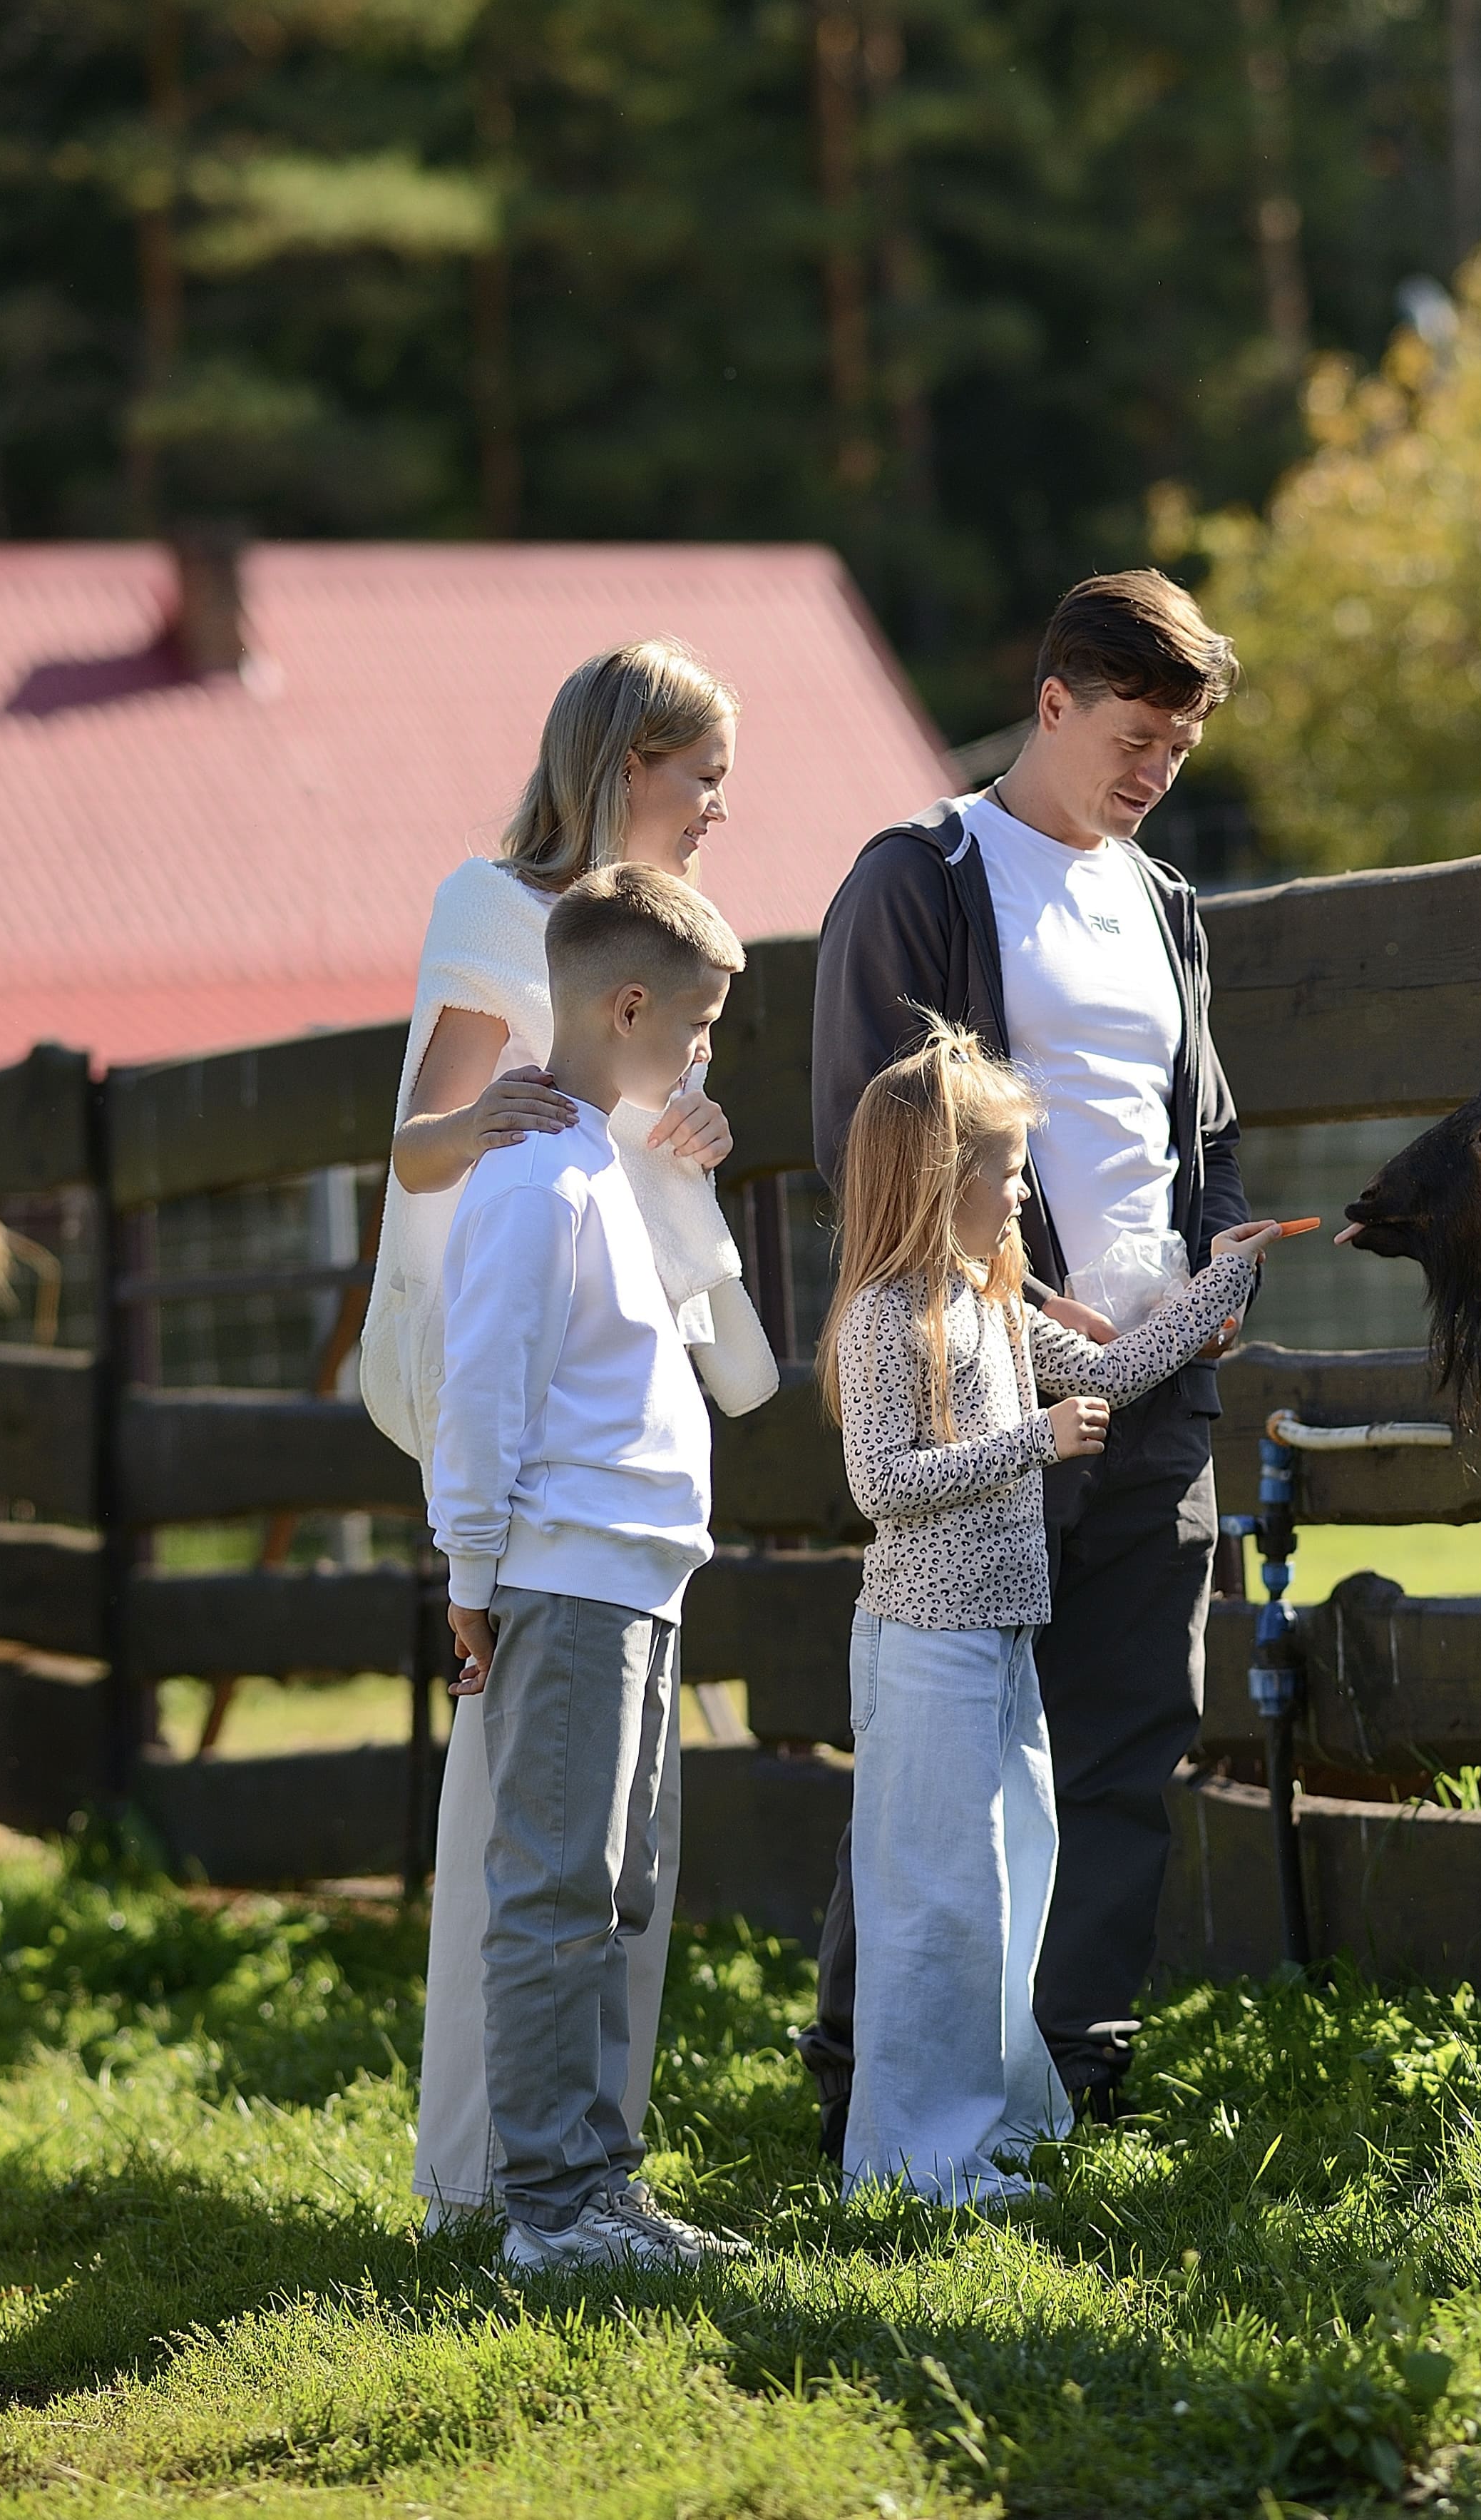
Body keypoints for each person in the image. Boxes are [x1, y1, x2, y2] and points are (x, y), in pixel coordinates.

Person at [801, 568, 1248, 2148]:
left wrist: (1220, 1267)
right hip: (987, 1383)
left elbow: (1207, 1130)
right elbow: (882, 1143)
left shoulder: (1165, 902)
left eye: (1179, 749)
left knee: (1126, 1729)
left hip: (1158, 1393)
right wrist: (1040, 1325)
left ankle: (1074, 2068)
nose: (1153, 772)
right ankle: (879, 2070)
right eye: (1133, 735)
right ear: (1051, 701)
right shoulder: (920, 875)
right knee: (953, 1747)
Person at [364, 637, 784, 2230]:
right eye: (702, 785)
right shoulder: (502, 914)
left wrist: (686, 1136)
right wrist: (495, 1126)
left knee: (611, 1861)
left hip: (622, 1406)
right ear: (624, 767)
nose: (715, 814)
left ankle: (580, 2167)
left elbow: (635, 1133)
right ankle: (504, 2173)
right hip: (538, 1422)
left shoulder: (666, 943)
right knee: (537, 1848)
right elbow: (429, 1143)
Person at [821, 1023, 1290, 2203]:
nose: (1025, 1188)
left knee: (1005, 1884)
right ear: (946, 1179)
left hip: (993, 1641)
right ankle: (913, 2161)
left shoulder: (982, 1306)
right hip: (925, 1646)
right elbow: (880, 1488)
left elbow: (1120, 1365)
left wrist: (1221, 1278)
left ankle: (974, 2129)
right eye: (1010, 1169)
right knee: (938, 1902)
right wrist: (1035, 1439)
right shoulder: (890, 1316)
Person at [426, 862, 754, 2272]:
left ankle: (603, 2182)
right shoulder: (532, 1179)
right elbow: (484, 1382)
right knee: (556, 1891)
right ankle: (546, 2207)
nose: (696, 1059)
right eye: (692, 1030)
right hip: (565, 1583)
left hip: (636, 1580)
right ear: (627, 1005)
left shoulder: (607, 1164)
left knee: (614, 1895)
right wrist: (473, 1566)